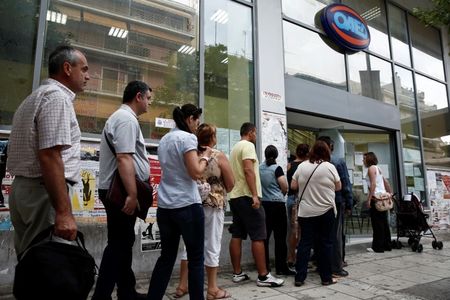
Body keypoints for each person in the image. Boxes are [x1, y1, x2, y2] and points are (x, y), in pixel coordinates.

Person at [7, 45, 89, 257]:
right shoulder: (56, 98)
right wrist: (63, 212)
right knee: (49, 268)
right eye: (84, 69)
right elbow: (50, 155)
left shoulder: (33, 98)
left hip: (26, 190)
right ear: (67, 68)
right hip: (44, 194)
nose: (87, 76)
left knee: (32, 264)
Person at [92, 81, 152, 300]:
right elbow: (124, 157)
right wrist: (132, 194)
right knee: (119, 244)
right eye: (148, 99)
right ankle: (102, 295)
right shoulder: (125, 119)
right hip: (121, 193)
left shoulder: (123, 118)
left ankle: (126, 291)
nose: (149, 104)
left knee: (123, 242)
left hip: (119, 191)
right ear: (138, 96)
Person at [147, 104, 212, 300]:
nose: (197, 126)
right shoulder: (187, 138)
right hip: (187, 205)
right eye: (197, 121)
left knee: (166, 258)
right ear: (190, 118)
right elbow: (196, 172)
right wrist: (206, 158)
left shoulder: (165, 139)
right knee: (196, 259)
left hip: (165, 206)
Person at [175, 123, 235, 300]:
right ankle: (213, 289)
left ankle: (182, 285)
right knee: (212, 244)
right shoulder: (218, 156)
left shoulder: (191, 155)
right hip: (213, 205)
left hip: (192, 203)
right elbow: (231, 184)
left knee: (189, 244)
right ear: (213, 138)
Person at [228, 122, 284, 287]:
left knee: (237, 234)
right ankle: (263, 276)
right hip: (247, 196)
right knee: (259, 234)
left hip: (235, 196)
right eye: (256, 133)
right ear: (251, 132)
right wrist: (254, 195)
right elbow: (248, 170)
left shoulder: (235, 148)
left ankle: (237, 273)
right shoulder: (248, 146)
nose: (256, 136)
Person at [291, 140, 341, 286]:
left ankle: (299, 277)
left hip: (306, 212)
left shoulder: (302, 166)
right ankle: (326, 278)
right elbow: (338, 187)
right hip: (326, 211)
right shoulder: (329, 167)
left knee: (304, 243)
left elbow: (293, 185)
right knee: (325, 244)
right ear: (326, 152)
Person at [317, 136, 352, 278]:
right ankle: (336, 266)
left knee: (321, 235)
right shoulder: (338, 161)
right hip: (336, 202)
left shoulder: (313, 163)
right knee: (336, 235)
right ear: (330, 146)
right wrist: (349, 202)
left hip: (318, 202)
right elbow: (345, 184)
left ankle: (322, 264)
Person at [259, 145, 293, 276]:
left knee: (265, 238)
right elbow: (284, 186)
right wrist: (282, 193)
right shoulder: (277, 168)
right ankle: (281, 268)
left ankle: (265, 267)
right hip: (277, 206)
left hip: (264, 206)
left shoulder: (259, 168)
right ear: (277, 155)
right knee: (280, 238)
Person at [286, 143, 309, 270]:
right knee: (300, 231)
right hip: (300, 199)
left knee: (292, 229)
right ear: (307, 154)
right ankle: (296, 258)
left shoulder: (289, 165)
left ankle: (291, 257)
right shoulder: (305, 166)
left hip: (289, 199)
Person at [364, 152, 392, 253]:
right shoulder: (378, 168)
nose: (363, 161)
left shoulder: (371, 168)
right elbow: (386, 182)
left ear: (368, 159)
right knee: (384, 222)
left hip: (376, 198)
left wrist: (369, 199)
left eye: (364, 158)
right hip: (383, 197)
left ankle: (377, 247)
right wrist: (390, 193)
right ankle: (387, 245)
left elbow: (373, 184)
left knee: (377, 223)